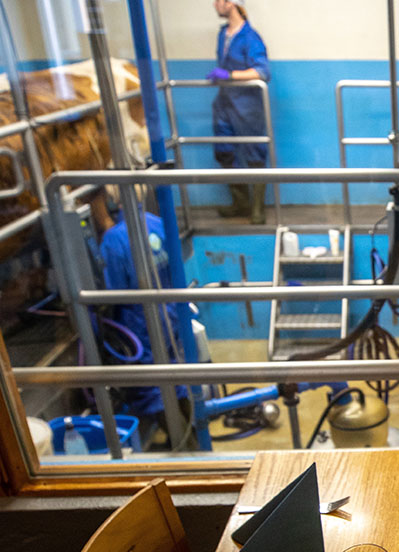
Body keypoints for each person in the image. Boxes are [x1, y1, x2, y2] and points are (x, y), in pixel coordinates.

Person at [93, 193, 195, 449]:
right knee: (176, 376)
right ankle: (194, 436)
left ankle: (187, 449)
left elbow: (115, 292)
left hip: (143, 323)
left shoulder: (114, 239)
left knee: (154, 387)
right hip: (171, 312)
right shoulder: (157, 222)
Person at [207, 0, 270, 224]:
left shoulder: (250, 36)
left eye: (218, 1)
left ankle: (257, 208)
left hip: (246, 105)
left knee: (254, 154)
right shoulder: (223, 34)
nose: (215, 5)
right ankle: (240, 203)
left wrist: (230, 76)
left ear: (230, 3)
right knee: (224, 151)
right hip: (224, 104)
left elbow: (262, 71)